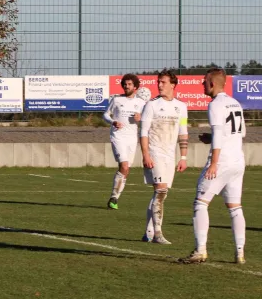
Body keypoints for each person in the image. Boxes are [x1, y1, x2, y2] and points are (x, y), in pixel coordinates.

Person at [180, 68, 247, 264]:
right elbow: (240, 133)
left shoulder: (216, 105)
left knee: (200, 203)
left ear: (212, 83)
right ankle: (240, 253)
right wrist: (212, 138)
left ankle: (200, 250)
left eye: (204, 81)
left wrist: (214, 163)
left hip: (222, 162)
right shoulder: (234, 103)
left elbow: (219, 134)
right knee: (235, 207)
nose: (202, 84)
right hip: (237, 161)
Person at [140, 69, 189, 244]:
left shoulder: (181, 107)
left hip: (170, 156)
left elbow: (183, 132)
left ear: (173, 85)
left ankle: (149, 232)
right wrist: (146, 154)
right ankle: (158, 234)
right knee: (160, 191)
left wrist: (183, 157)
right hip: (154, 153)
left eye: (163, 82)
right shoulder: (151, 105)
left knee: (161, 194)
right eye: (158, 82)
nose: (159, 85)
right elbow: (144, 132)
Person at [103, 74, 146, 210]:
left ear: (135, 87)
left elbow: (146, 119)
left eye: (129, 84)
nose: (126, 86)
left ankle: (114, 197)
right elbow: (105, 115)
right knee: (125, 166)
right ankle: (114, 197)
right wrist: (113, 121)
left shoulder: (141, 103)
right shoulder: (116, 100)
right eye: (125, 84)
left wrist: (141, 118)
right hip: (118, 136)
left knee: (126, 170)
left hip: (132, 138)